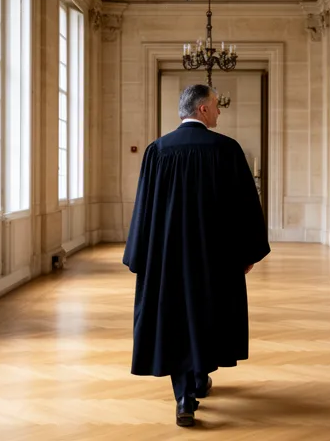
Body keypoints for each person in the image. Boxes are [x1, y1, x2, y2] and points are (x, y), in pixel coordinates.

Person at [123, 83, 270, 427]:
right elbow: (246, 207)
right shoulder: (226, 150)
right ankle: (199, 377)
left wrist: (140, 255)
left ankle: (185, 396)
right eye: (217, 106)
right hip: (215, 258)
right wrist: (247, 252)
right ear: (202, 109)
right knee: (208, 314)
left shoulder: (157, 151)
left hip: (167, 258)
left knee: (175, 317)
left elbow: (144, 207)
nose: (219, 111)